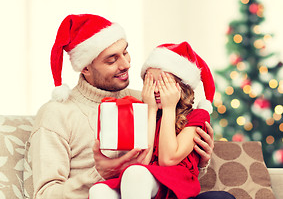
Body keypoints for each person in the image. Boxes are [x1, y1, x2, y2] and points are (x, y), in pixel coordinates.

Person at [29, 14, 225, 199]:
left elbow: (167, 170)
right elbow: (45, 195)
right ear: (85, 68)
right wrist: (99, 174)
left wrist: (199, 160)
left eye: (125, 52)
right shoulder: (56, 113)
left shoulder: (147, 100)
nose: (126, 64)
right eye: (112, 59)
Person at [88, 42, 236, 199]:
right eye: (150, 83)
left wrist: (169, 108)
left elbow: (168, 159)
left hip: (174, 185)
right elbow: (143, 161)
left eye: (163, 83)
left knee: (135, 173)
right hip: (146, 182)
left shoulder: (197, 116)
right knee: (99, 191)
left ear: (181, 86)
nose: (156, 90)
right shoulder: (142, 113)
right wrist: (151, 109)